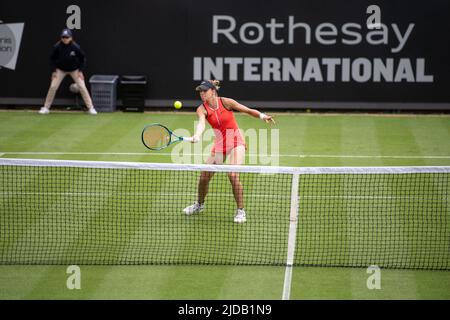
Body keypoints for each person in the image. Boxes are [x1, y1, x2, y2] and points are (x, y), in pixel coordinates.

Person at [183, 80, 275, 223]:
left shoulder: (226, 102)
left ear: (213, 91)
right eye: (200, 91)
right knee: (204, 177)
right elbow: (201, 123)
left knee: (232, 174)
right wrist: (197, 135)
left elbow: (247, 110)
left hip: (236, 140)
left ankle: (240, 210)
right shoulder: (201, 109)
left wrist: (263, 116)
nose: (201, 94)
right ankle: (199, 205)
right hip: (220, 144)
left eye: (204, 91)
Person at [39, 28, 97, 115]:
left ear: (71, 38)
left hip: (74, 70)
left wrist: (80, 71)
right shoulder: (57, 47)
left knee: (82, 86)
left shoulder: (75, 47)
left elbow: (83, 59)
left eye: (67, 37)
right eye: (63, 37)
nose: (65, 39)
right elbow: (52, 59)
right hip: (60, 70)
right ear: (61, 38)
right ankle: (46, 108)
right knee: (53, 86)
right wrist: (54, 71)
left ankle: (91, 108)